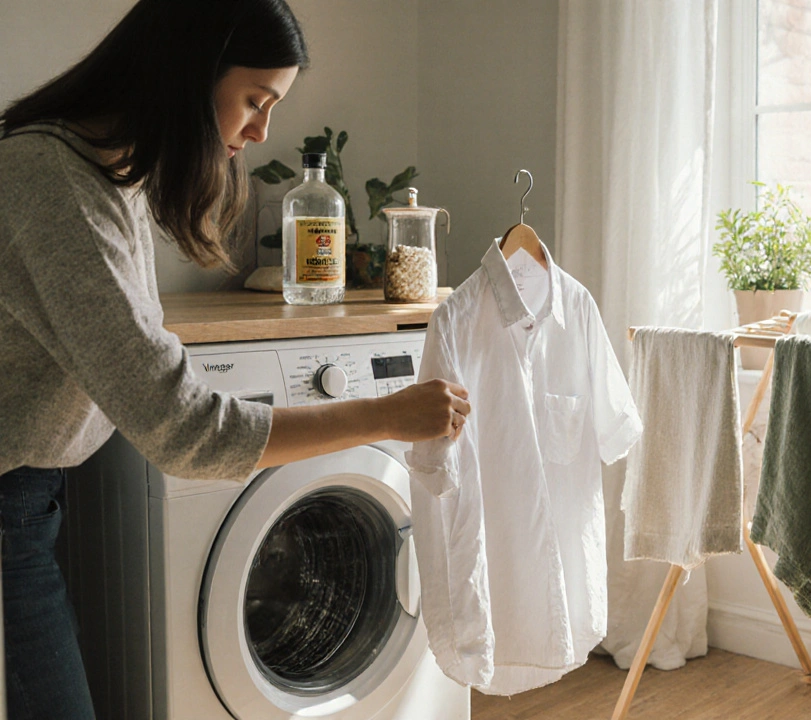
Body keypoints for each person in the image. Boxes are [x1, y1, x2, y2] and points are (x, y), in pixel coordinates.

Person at [0, 1, 469, 718]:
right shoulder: (51, 179)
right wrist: (387, 416)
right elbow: (187, 431)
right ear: (188, 73)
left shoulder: (103, 175)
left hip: (31, 496)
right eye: (255, 100)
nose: (260, 132)